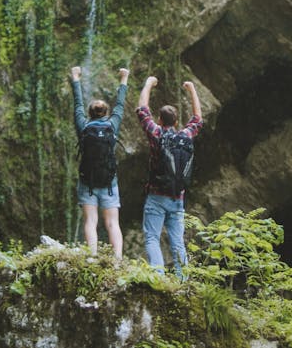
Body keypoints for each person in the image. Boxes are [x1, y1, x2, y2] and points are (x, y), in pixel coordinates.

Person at [137, 76, 203, 276]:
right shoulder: (185, 136)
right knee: (177, 243)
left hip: (156, 196)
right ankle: (183, 281)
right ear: (176, 122)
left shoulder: (156, 134)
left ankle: (158, 277)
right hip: (178, 197)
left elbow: (142, 110)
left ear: (159, 120)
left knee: (151, 238)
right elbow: (198, 118)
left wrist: (148, 83)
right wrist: (191, 89)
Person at [70, 65, 129, 258]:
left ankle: (93, 258)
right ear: (106, 112)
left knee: (90, 221)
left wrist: (75, 78)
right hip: (109, 181)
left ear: (90, 112)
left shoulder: (83, 126)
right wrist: (124, 79)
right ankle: (118, 260)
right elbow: (120, 105)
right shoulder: (112, 125)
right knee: (113, 223)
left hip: (87, 181)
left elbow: (77, 104)